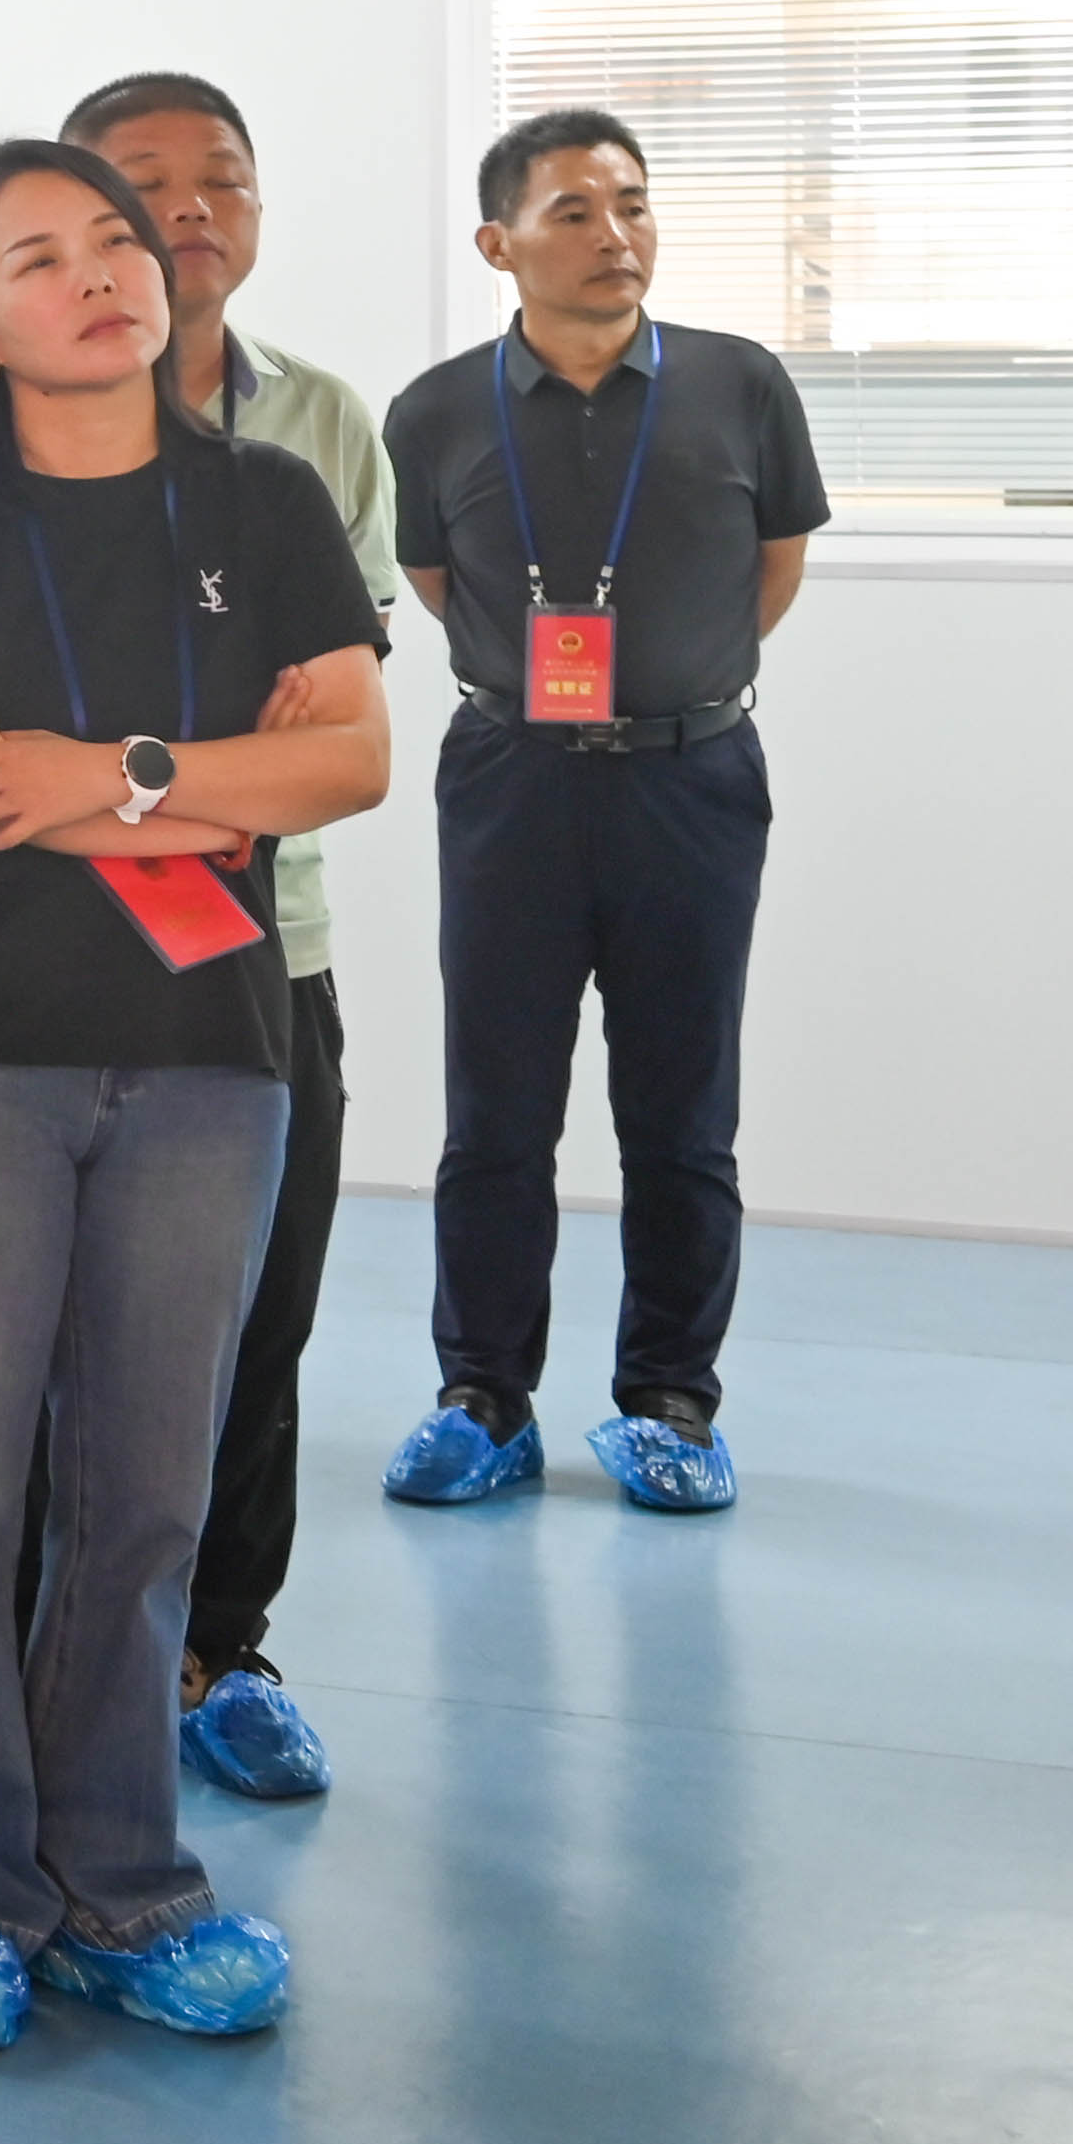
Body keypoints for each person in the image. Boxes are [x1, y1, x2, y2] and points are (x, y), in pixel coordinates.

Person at [0, 137, 389, 2062]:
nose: (102, 272)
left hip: (212, 1052)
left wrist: (104, 770)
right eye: (41, 254)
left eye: (118, 241)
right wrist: (207, 776)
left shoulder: (266, 493)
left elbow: (352, 759)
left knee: (148, 1489)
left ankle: (118, 1881)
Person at [380, 107, 822, 1518]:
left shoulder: (741, 383)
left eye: (632, 204)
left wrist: (667, 687)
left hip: (692, 778)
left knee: (682, 1111)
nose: (614, 234)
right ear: (497, 242)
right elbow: (441, 585)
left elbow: (771, 567)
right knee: (495, 1110)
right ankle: (483, 1397)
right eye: (573, 210)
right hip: (511, 780)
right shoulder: (435, 410)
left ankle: (671, 1401)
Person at [54, 74, 395, 1802]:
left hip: (267, 947)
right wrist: (215, 752)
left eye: (223, 178)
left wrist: (129, 757)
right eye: (144, 179)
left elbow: (335, 723)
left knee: (259, 1316)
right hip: (32, 949)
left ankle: (219, 1647)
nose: (189, 208)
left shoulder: (322, 421)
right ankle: (54, 1660)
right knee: (41, 1341)